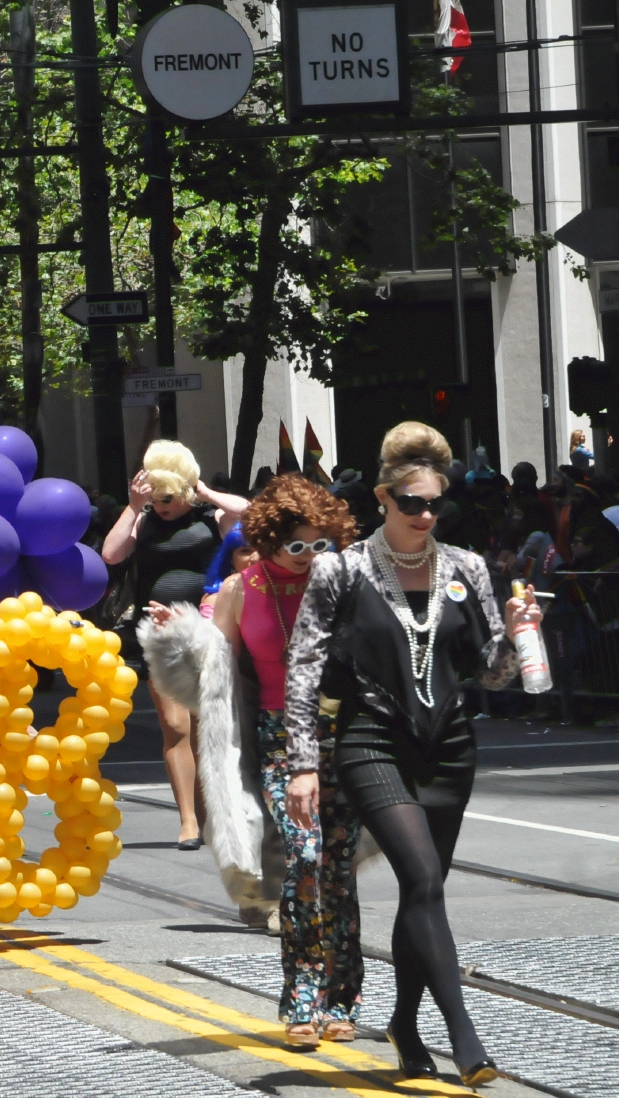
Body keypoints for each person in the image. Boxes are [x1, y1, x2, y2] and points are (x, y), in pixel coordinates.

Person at [286, 422, 532, 1087]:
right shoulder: (339, 569)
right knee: (421, 878)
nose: (423, 516)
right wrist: (302, 762)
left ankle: (402, 1022)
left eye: (433, 504)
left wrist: (513, 637)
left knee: (422, 893)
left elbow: (490, 674)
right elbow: (303, 667)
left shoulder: (466, 568)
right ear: (382, 498)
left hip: (449, 745)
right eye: (411, 503)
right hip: (370, 739)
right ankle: (464, 1036)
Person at [209, 475, 363, 1047]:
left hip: (345, 734)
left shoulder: (344, 583)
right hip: (278, 738)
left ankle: (343, 997)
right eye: (296, 545)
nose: (309, 558)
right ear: (269, 539)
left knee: (338, 872)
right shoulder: (239, 590)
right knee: (304, 861)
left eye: (320, 544)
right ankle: (302, 1000)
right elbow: (215, 677)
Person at [101, 440, 249, 848]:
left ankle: (207, 814)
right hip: (159, 635)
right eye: (156, 498)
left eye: (168, 498)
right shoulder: (143, 519)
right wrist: (134, 506)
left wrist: (205, 490)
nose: (161, 505)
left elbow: (250, 515)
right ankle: (187, 820)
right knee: (174, 725)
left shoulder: (210, 516)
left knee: (206, 727)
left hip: (206, 633)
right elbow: (111, 555)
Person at [200, 526, 253, 619]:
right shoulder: (215, 600)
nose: (256, 557)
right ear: (230, 559)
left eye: (263, 550)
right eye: (246, 551)